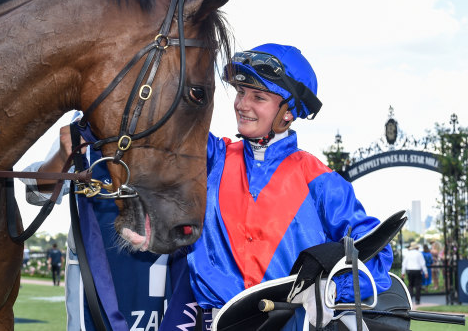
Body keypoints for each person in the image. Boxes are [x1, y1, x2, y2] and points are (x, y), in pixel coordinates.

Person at [185, 43, 394, 330]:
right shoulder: (212, 156)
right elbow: (166, 125)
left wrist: (333, 290)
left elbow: (376, 251)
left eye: (258, 97)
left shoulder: (322, 181)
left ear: (288, 112)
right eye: (241, 92)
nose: (242, 104)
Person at [22, 112, 182, 330]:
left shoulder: (172, 116)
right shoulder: (85, 121)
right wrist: (62, 155)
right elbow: (37, 194)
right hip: (95, 271)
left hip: (159, 272)